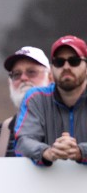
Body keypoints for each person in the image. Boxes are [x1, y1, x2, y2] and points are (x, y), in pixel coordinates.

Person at [15, 35, 87, 166]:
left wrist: (80, 151)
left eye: (74, 61)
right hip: (46, 185)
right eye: (59, 62)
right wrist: (47, 152)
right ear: (52, 68)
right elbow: (23, 142)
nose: (66, 67)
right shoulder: (36, 98)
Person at [0, 46, 52, 157]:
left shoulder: (66, 124)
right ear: (9, 82)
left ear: (50, 78)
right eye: (16, 74)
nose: (23, 78)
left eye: (31, 72)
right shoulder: (1, 133)